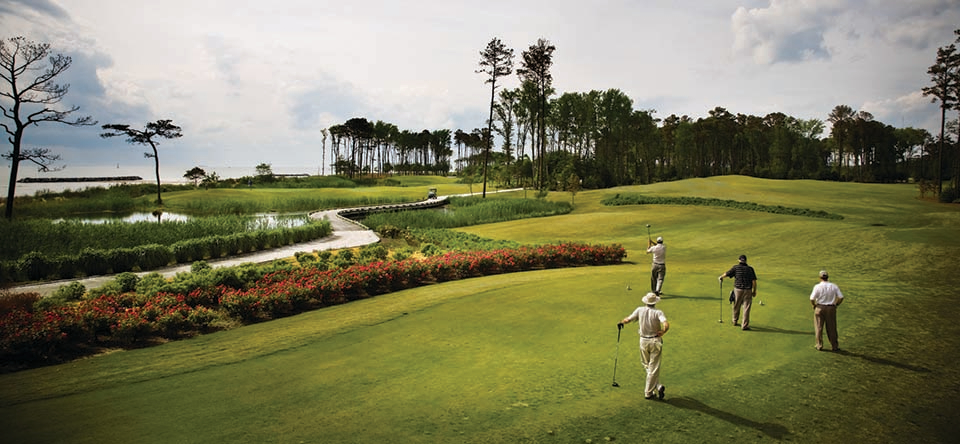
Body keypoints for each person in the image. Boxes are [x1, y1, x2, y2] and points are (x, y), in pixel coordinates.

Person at [618, 292, 670, 400]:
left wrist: (621, 322)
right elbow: (666, 324)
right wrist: (663, 331)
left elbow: (628, 319)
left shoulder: (639, 310)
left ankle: (655, 387)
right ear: (655, 302)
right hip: (655, 341)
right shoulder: (658, 312)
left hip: (643, 341)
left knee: (647, 365)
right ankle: (650, 391)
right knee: (653, 367)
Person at [718, 254, 758, 330]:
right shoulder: (750, 269)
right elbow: (754, 282)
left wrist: (721, 277)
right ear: (746, 261)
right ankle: (744, 325)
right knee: (746, 308)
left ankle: (734, 321)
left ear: (739, 260)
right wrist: (754, 291)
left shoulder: (736, 268)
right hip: (748, 290)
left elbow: (727, 273)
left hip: (738, 290)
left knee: (736, 305)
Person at [810, 270, 844, 351]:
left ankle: (819, 345)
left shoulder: (817, 286)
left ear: (820, 277)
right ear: (827, 277)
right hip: (831, 307)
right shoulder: (833, 286)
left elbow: (812, 298)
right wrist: (836, 304)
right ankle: (834, 346)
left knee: (819, 327)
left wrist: (813, 305)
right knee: (832, 327)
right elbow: (841, 297)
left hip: (820, 307)